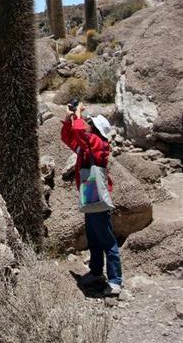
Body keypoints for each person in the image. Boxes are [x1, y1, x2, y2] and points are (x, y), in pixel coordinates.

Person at [61, 101, 123, 295]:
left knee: (107, 240)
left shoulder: (98, 144)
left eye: (89, 122)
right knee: (94, 238)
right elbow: (69, 137)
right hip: (89, 193)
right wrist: (68, 118)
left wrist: (78, 114)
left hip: (96, 195)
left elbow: (80, 133)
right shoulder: (87, 147)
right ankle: (96, 272)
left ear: (95, 129)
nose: (86, 122)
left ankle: (115, 280)